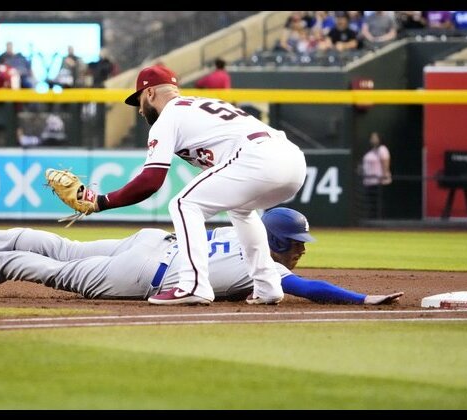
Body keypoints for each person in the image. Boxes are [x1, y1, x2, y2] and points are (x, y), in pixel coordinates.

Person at [58, 64, 307, 306]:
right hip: (293, 160)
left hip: (259, 158)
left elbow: (150, 181)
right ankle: (267, 286)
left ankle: (193, 284)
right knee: (241, 211)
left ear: (150, 93)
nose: (140, 111)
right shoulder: (198, 106)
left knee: (183, 203)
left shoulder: (168, 116)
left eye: (139, 102)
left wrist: (101, 202)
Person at [0, 208, 403, 305]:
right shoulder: (266, 266)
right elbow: (311, 290)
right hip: (145, 269)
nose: (303, 251)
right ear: (278, 244)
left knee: (65, 247)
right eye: (298, 243)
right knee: (61, 271)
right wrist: (362, 300)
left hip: (152, 242)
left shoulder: (242, 224)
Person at [361, 132, 391, 219]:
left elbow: (385, 162)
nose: (373, 140)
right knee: (370, 203)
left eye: (375, 138)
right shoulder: (370, 151)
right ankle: (371, 219)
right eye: (372, 138)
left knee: (379, 203)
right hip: (369, 181)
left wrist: (384, 175)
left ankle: (380, 221)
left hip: (378, 181)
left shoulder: (382, 149)